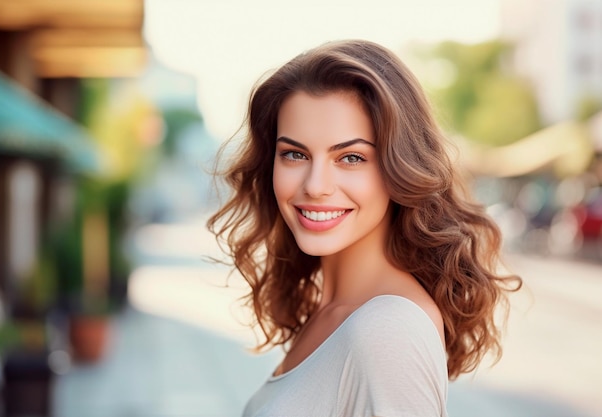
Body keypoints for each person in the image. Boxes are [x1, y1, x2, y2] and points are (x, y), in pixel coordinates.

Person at [207, 39, 521, 417]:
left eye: (351, 157)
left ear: (399, 168)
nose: (315, 184)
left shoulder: (390, 330)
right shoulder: (334, 314)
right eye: (295, 154)